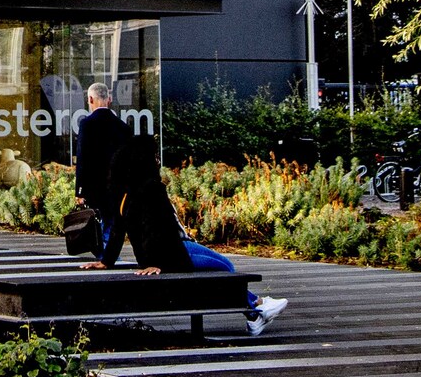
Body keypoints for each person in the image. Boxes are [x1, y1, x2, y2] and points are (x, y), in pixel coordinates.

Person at [87, 136, 288, 335]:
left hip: (162, 252)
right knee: (226, 268)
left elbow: (118, 230)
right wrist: (157, 263)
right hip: (172, 252)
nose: (157, 159)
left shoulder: (125, 193)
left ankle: (256, 311)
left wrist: (107, 260)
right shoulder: (152, 188)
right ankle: (257, 307)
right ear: (143, 159)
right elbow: (156, 229)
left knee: (222, 270)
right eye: (154, 155)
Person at [74, 82, 131, 252]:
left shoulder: (87, 124)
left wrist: (80, 191)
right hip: (117, 186)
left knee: (97, 221)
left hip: (94, 186)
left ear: (90, 99)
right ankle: (108, 252)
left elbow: (82, 159)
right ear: (110, 99)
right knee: (111, 222)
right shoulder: (123, 128)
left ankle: (103, 254)